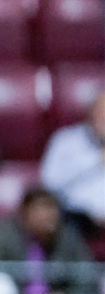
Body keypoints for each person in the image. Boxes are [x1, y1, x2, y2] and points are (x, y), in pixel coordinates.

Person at [40, 92, 105, 241]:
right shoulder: (65, 141)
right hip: (76, 217)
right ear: (90, 116)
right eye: (102, 116)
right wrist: (95, 160)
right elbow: (49, 185)